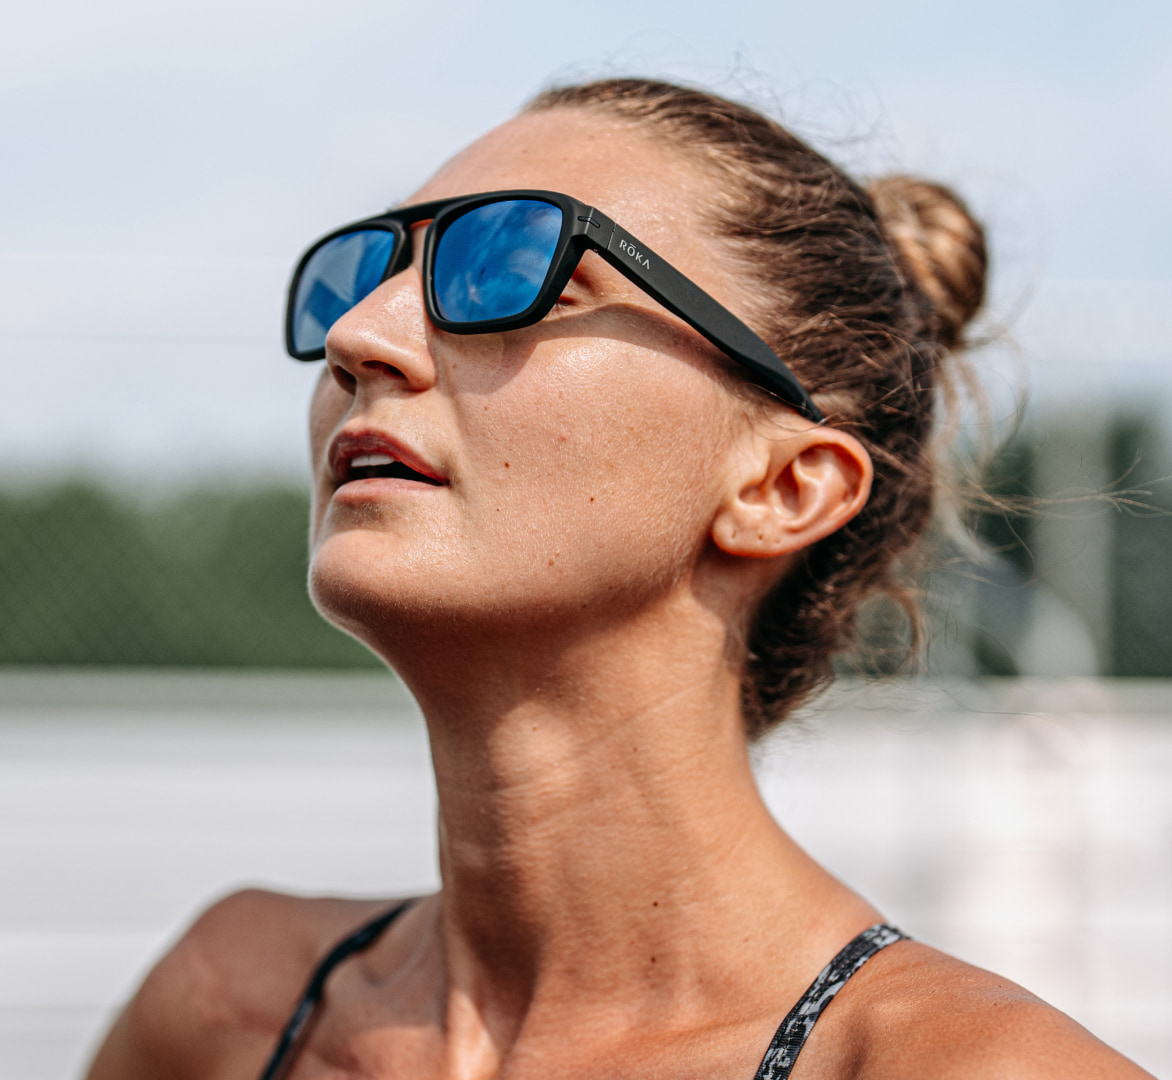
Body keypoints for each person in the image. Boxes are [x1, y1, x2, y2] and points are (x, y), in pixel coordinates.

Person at [87, 78, 1149, 1079]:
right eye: (367, 275)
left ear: (783, 486)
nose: (361, 337)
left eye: (513, 268)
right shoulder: (232, 1010)